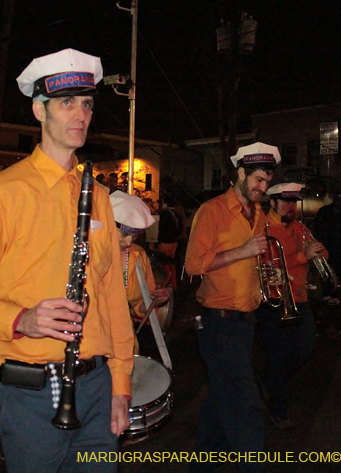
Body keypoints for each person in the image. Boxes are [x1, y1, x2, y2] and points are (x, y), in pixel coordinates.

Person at [0, 48, 134, 473]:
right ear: (38, 110)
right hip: (32, 392)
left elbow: (111, 300)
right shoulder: (1, 192)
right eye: (66, 103)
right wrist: (21, 319)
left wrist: (121, 385)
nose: (80, 114)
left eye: (86, 104)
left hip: (98, 385)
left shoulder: (100, 197)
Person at [185, 141, 280, 473]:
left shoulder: (259, 215)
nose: (262, 188)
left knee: (220, 400)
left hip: (244, 321)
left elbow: (252, 259)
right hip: (217, 321)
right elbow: (194, 264)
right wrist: (243, 251)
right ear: (240, 173)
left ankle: (203, 462)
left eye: (266, 182)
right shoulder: (211, 211)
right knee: (245, 403)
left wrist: (266, 276)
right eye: (257, 180)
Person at [256, 182, 325, 431]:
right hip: (274, 301)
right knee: (279, 356)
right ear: (272, 203)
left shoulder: (299, 227)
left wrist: (319, 252)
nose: (290, 207)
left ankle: (267, 380)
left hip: (300, 299)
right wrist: (303, 256)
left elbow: (320, 251)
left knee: (305, 349)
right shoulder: (262, 228)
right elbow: (266, 262)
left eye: (293, 202)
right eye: (285, 202)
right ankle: (278, 410)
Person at [109, 190, 171, 354]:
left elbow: (139, 308)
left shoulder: (138, 256)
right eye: (125, 234)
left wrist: (155, 300)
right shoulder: (86, 255)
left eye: (135, 237)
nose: (128, 242)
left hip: (126, 344)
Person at [312, 189, 341, 304]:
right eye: (340, 199)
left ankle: (336, 293)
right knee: (325, 270)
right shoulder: (324, 211)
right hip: (327, 246)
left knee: (339, 270)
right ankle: (326, 293)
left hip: (340, 247)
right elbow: (317, 227)